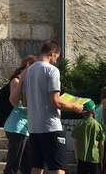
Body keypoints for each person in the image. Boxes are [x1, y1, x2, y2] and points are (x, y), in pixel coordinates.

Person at [23, 40, 83, 174]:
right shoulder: (52, 70)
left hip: (33, 127)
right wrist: (74, 107)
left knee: (37, 166)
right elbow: (55, 102)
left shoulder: (29, 71)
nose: (56, 61)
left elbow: (26, 101)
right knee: (58, 168)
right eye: (56, 57)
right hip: (51, 127)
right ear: (52, 53)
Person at [3, 55, 36, 174]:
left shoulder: (29, 83)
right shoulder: (16, 81)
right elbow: (14, 102)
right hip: (16, 127)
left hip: (25, 128)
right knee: (13, 164)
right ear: (27, 66)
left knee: (28, 165)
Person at [72, 100, 105, 174]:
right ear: (93, 111)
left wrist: (76, 157)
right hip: (95, 158)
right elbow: (101, 144)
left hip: (81, 158)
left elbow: (75, 142)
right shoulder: (97, 125)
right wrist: (101, 159)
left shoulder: (79, 124)